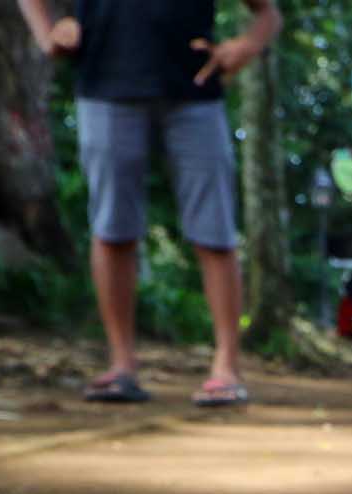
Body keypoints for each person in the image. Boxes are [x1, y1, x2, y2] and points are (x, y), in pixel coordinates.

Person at [18, 0, 282, 407]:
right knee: (112, 228)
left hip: (195, 91)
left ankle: (227, 366)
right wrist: (47, 32)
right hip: (105, 84)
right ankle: (121, 365)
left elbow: (268, 14)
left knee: (215, 231)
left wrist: (246, 46)